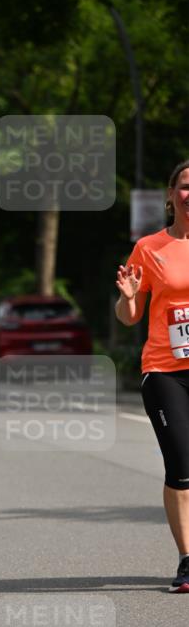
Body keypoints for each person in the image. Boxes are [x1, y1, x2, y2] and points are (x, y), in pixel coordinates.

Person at [115, 159, 189, 593]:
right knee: (181, 462)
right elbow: (129, 317)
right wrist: (126, 298)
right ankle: (187, 558)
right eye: (184, 186)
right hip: (165, 370)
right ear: (170, 195)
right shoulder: (149, 247)